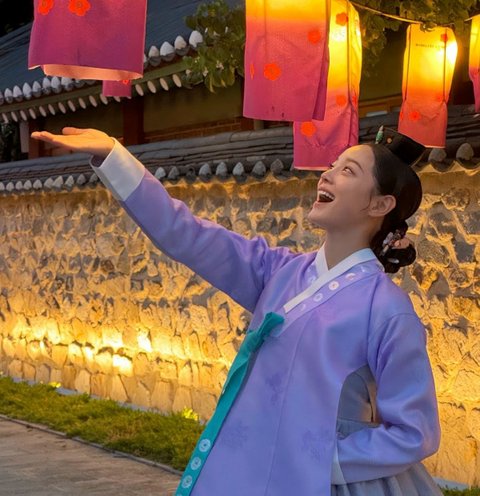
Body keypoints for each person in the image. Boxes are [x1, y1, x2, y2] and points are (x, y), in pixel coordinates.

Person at [32, 127, 442, 496]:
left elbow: (414, 432)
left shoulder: (386, 309)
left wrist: (318, 460)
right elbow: (186, 233)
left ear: (380, 204)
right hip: (247, 471)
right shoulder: (277, 272)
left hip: (325, 481)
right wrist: (113, 157)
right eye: (332, 165)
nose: (326, 175)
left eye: (348, 171)